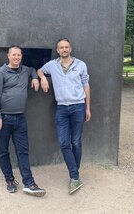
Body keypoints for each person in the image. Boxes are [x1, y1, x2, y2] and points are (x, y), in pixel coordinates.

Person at [37, 38, 91, 195]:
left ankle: (74, 176)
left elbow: (86, 85)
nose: (64, 49)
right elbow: (40, 70)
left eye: (66, 47)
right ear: (57, 50)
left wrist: (87, 107)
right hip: (61, 108)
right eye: (61, 47)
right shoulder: (52, 65)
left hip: (78, 107)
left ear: (70, 49)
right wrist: (42, 78)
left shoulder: (81, 65)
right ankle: (75, 175)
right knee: (63, 142)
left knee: (76, 141)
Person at [0, 45, 46, 197]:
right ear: (8, 56)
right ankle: (9, 180)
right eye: (14, 55)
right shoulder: (1, 73)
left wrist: (35, 77)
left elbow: (33, 70)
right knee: (3, 151)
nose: (16, 57)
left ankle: (29, 183)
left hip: (20, 118)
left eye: (19, 55)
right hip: (4, 118)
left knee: (23, 151)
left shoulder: (25, 70)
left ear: (21, 56)